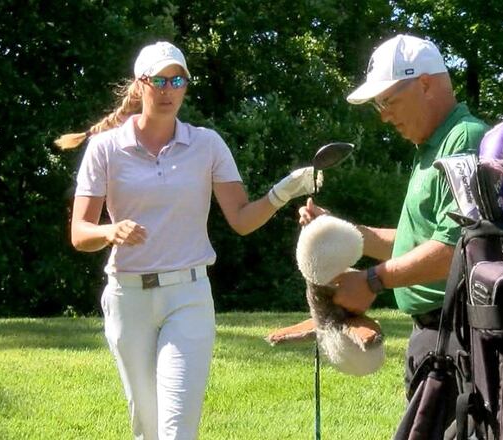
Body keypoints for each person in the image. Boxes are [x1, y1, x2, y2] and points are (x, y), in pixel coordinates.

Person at [61, 41, 320, 440]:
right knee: (147, 428)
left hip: (189, 296)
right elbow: (80, 233)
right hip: (128, 299)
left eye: (177, 80)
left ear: (185, 86)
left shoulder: (207, 144)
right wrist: (108, 232)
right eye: (159, 80)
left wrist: (283, 191)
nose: (168, 90)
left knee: (177, 428)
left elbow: (241, 219)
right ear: (140, 84)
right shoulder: (106, 148)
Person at [278, 34, 490, 395]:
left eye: (388, 101)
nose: (385, 116)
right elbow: (414, 244)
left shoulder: (464, 140)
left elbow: (458, 250)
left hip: (458, 334)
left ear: (424, 84)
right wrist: (340, 232)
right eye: (379, 106)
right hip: (435, 335)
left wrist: (372, 281)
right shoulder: (429, 147)